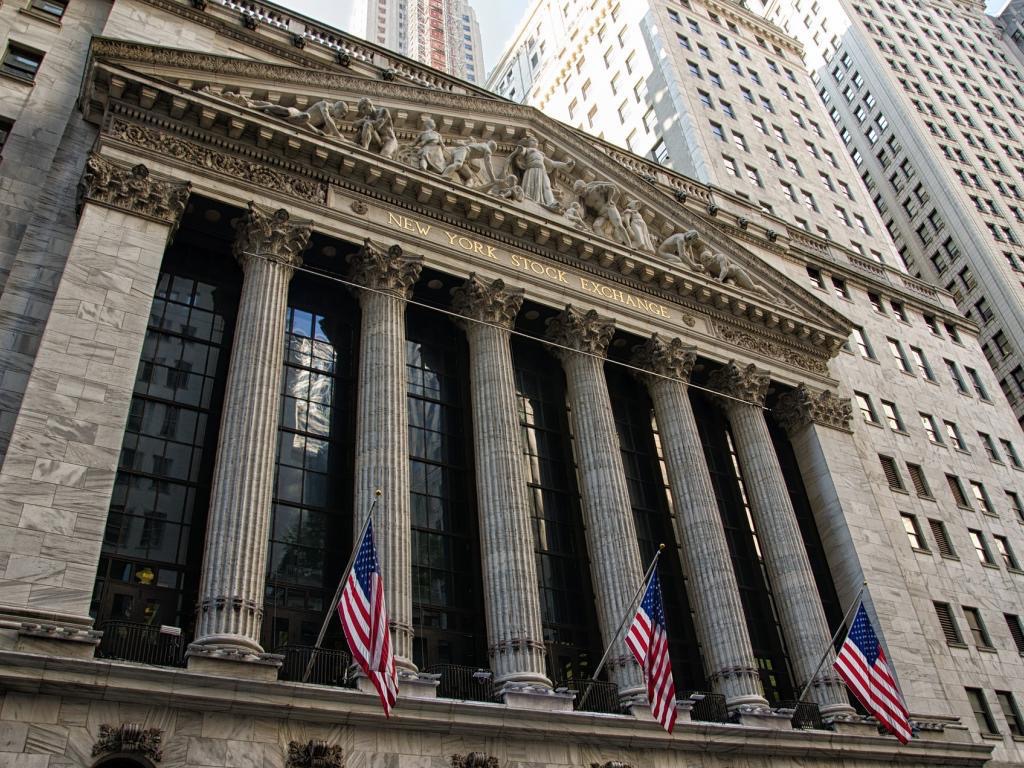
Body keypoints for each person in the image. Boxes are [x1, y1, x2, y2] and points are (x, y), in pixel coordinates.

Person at [506, 134, 574, 210]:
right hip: (532, 169)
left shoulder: (541, 154)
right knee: (530, 185)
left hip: (542, 171)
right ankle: (529, 199)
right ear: (528, 143)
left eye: (536, 141)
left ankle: (551, 202)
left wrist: (565, 165)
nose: (535, 142)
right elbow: (521, 153)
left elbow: (552, 163)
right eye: (532, 140)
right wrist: (519, 150)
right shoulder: (527, 149)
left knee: (547, 186)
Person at [572, 179, 630, 246]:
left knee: (619, 226)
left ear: (585, 187)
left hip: (609, 208)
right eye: (579, 193)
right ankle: (603, 243)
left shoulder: (595, 189)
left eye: (582, 191)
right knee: (596, 226)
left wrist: (609, 201)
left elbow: (612, 188)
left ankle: (629, 245)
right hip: (601, 215)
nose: (581, 194)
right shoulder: (584, 200)